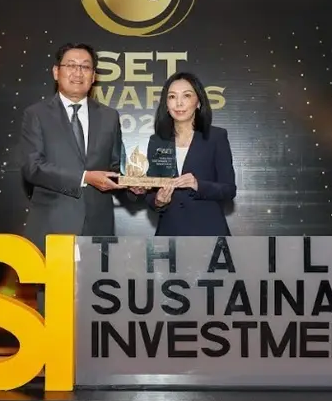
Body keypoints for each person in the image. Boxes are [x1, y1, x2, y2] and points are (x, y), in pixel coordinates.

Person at [18, 42, 127, 314]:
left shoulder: (109, 117)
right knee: (53, 312)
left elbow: (115, 167)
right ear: (56, 72)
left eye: (85, 67)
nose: (78, 72)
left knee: (96, 312)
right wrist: (84, 177)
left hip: (97, 229)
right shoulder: (36, 114)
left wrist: (131, 186)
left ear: (94, 76)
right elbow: (32, 168)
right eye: (71, 65)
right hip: (53, 227)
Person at [144, 72, 237, 236]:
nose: (179, 103)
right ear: (166, 104)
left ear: (198, 101)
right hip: (169, 232)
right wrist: (158, 200)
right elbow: (151, 190)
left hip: (208, 232)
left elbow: (229, 189)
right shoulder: (157, 141)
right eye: (172, 97)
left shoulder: (216, 137)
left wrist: (197, 185)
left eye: (186, 96)